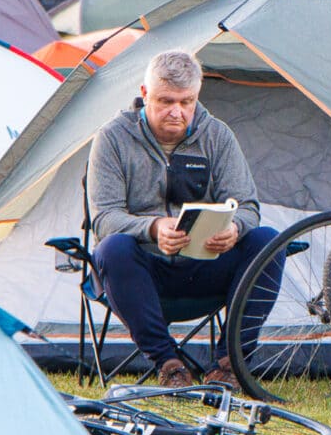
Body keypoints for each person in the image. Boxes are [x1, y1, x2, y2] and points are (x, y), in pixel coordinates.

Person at [88, 49, 283, 389]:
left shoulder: (217, 135)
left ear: (197, 96)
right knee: (111, 248)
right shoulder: (112, 138)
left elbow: (249, 206)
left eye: (186, 101)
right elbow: (104, 218)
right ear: (144, 93)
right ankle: (169, 365)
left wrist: (235, 229)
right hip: (143, 274)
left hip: (206, 267)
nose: (176, 112)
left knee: (268, 241)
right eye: (165, 101)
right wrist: (151, 227)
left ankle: (227, 364)